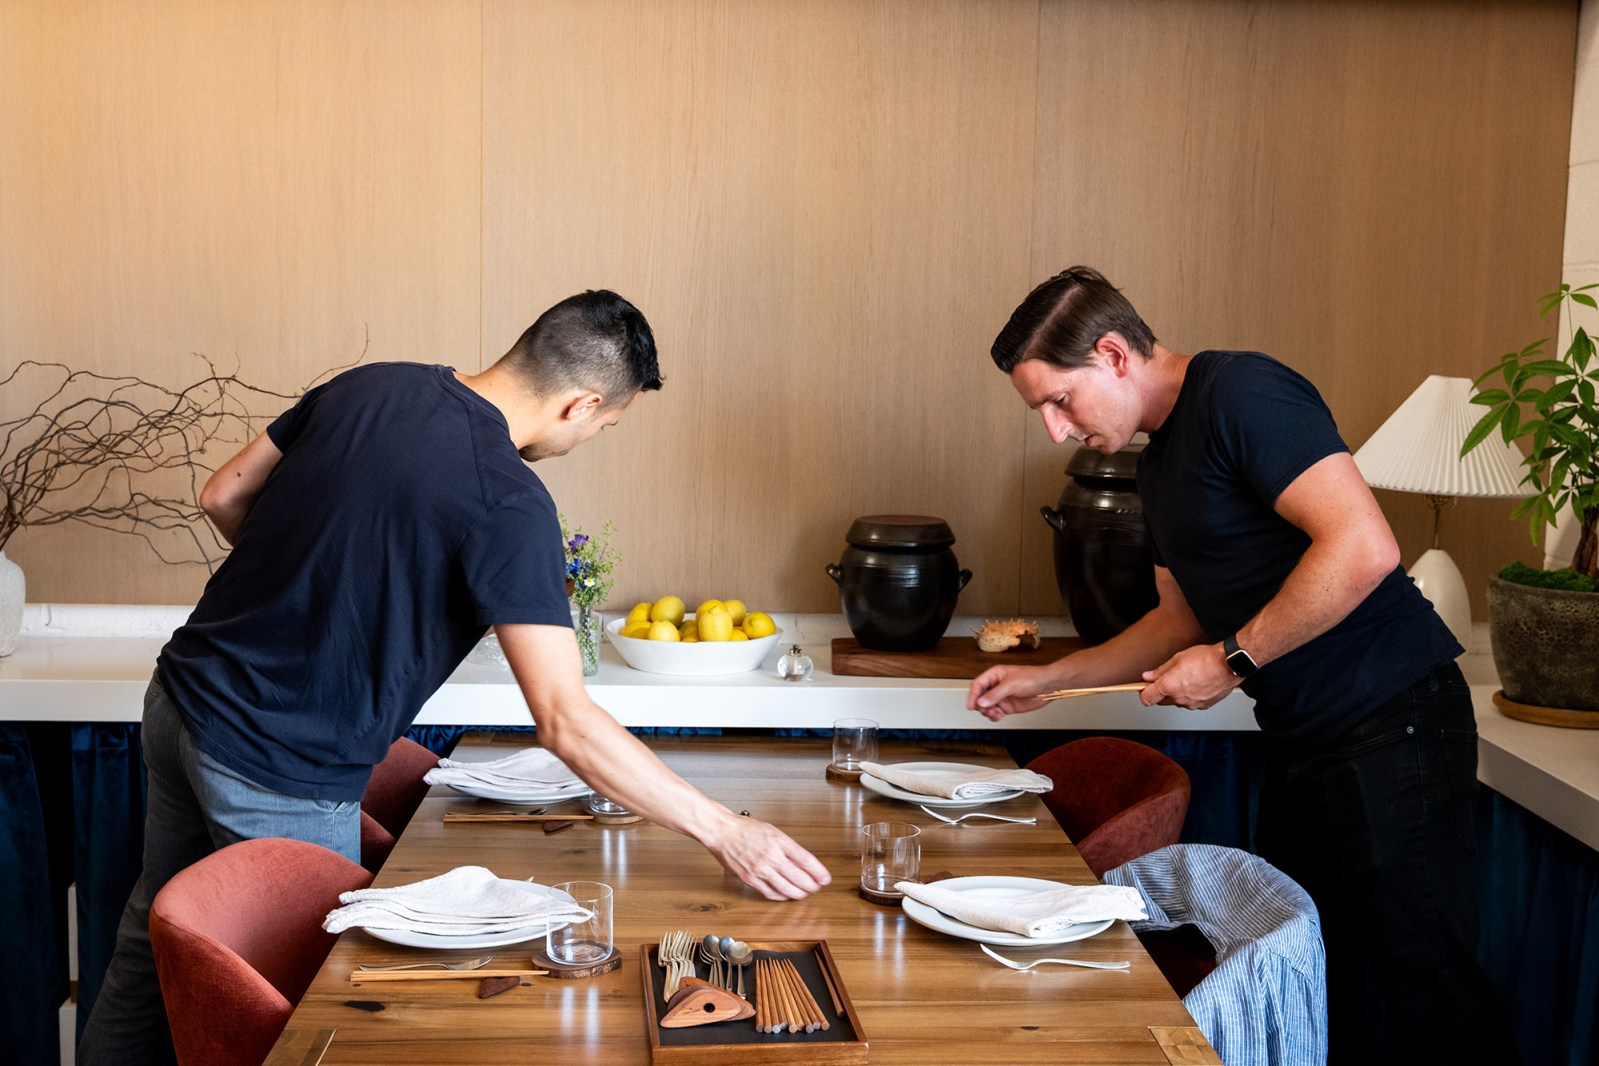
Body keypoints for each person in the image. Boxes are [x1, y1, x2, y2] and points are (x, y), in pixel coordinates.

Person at [79, 290, 831, 1064]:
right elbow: (565, 720)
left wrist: (306, 589)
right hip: (278, 764)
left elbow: (223, 493)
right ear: (582, 403)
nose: (590, 438)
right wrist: (726, 831)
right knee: (327, 1017)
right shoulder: (508, 504)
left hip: (179, 699)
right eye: (605, 427)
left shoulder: (368, 385)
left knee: (155, 946)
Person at [968, 267, 1518, 1065]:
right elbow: (1178, 618)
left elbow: (1362, 546)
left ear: (1114, 354)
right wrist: (1050, 679)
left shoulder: (1240, 391)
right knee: (1312, 982)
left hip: (1394, 720)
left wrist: (1231, 660)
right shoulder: (1154, 471)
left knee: (1430, 990)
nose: (1055, 429)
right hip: (1305, 741)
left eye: (1059, 401)